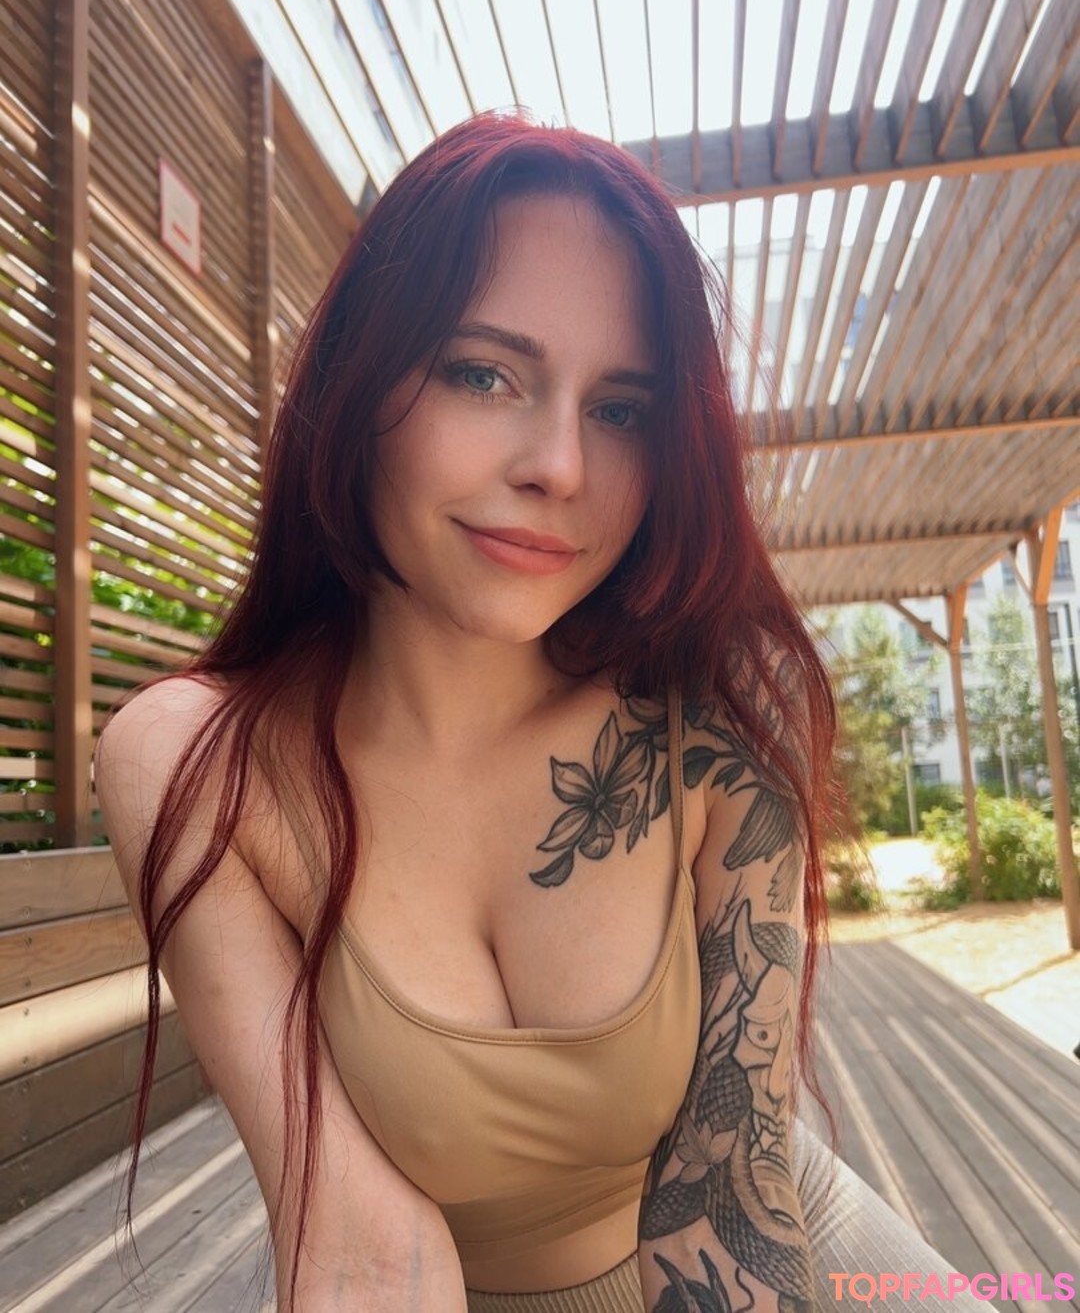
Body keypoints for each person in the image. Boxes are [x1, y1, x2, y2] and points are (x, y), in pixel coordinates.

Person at [96, 113, 985, 1313]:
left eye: (620, 410)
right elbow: (357, 1244)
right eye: (483, 373)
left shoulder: (708, 742)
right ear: (358, 383)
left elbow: (734, 1209)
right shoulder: (202, 763)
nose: (560, 465)